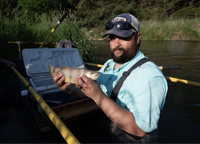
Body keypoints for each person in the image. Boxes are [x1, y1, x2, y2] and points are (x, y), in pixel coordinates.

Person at [52, 13, 168, 143]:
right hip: (109, 133)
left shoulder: (149, 76)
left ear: (137, 38)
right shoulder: (109, 64)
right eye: (112, 38)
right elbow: (91, 91)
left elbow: (139, 130)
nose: (116, 44)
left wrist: (98, 96)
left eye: (123, 37)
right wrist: (69, 89)